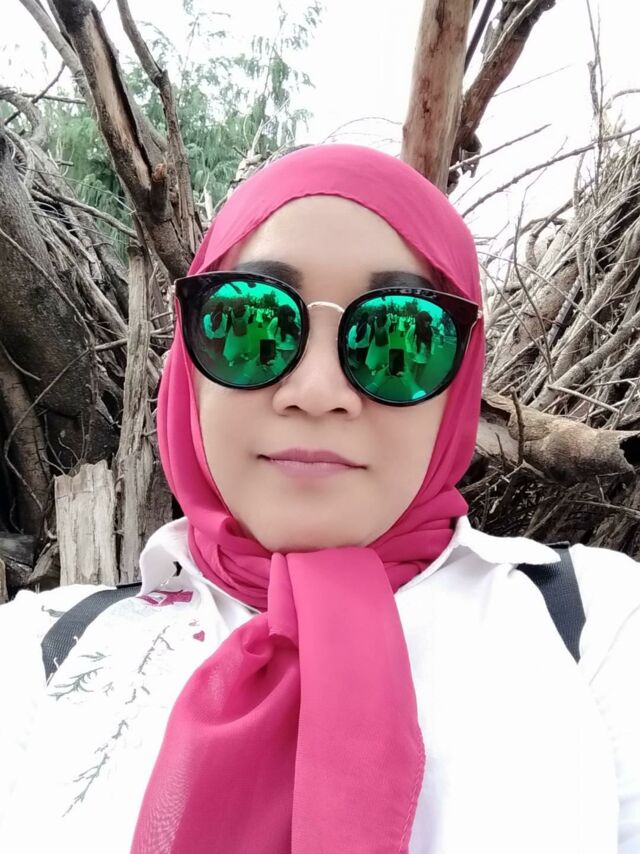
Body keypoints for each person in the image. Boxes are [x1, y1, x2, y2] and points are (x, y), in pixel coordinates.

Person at [0, 144, 639, 854]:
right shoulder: (42, 651)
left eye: (401, 338)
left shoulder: (595, 626)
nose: (317, 392)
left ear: (460, 385)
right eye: (252, 325)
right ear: (188, 361)